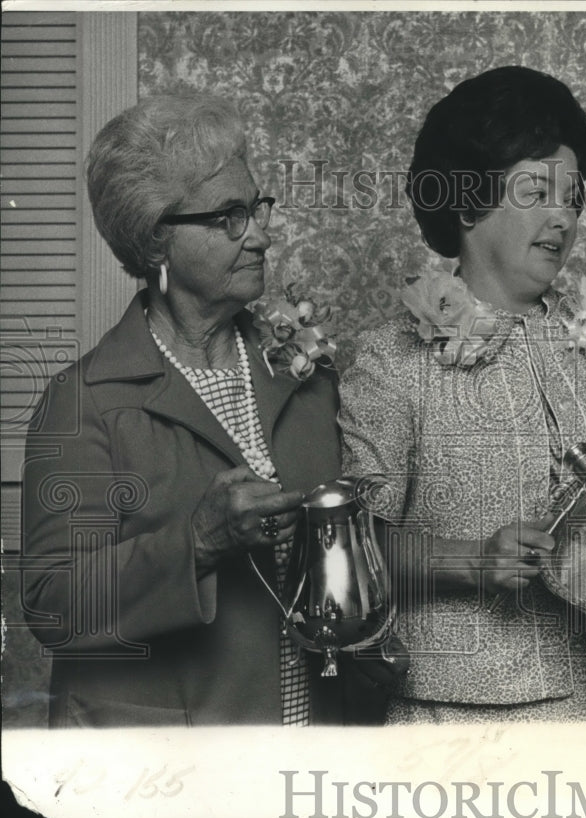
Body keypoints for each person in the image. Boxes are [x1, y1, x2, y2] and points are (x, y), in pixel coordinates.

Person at [21, 93, 395, 727]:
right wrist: (194, 543)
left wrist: (472, 563)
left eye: (257, 208)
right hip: (169, 769)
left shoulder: (304, 377)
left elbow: (353, 546)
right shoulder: (83, 401)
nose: (262, 234)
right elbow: (53, 606)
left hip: (310, 739)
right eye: (230, 216)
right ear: (154, 241)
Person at [337, 66, 586, 723]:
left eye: (573, 196)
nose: (562, 216)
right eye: (537, 189)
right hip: (456, 716)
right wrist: (471, 562)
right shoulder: (394, 357)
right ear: (467, 202)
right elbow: (347, 544)